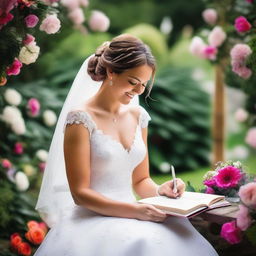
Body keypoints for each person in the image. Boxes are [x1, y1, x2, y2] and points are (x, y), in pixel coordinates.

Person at [34, 34, 218, 256]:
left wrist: (161, 190)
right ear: (112, 72)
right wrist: (134, 211)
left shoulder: (139, 115)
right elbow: (80, 193)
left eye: (143, 84)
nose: (138, 91)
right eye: (133, 82)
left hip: (135, 211)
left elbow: (141, 180)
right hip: (93, 217)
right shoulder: (80, 119)